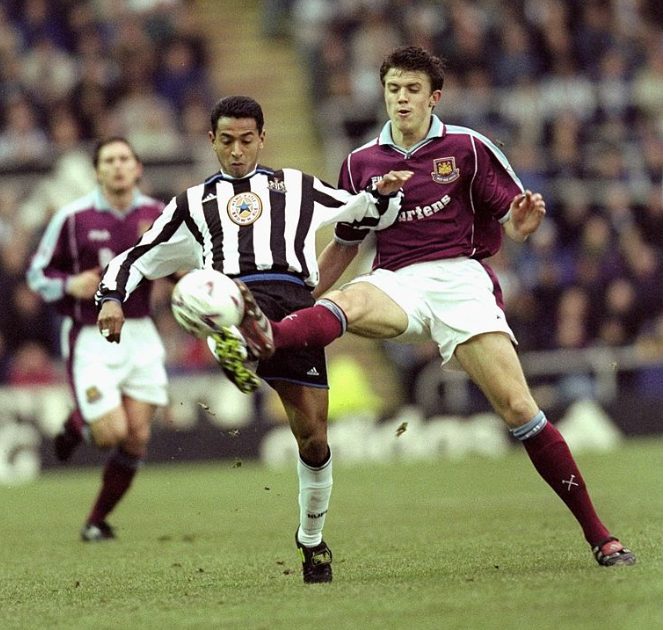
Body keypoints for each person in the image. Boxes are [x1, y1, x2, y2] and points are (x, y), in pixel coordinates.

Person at [214, 46, 636, 567]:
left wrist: (523, 227)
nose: (401, 99)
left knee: (520, 411)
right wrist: (308, 295)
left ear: (433, 97)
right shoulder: (360, 162)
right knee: (347, 301)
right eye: (393, 90)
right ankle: (268, 336)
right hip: (396, 280)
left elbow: (514, 217)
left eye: (412, 90)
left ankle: (600, 536)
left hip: (461, 280)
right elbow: (348, 240)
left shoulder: (468, 148)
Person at [95, 95, 412, 583]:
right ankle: (239, 336)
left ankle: (311, 539)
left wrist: (384, 193)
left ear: (262, 137)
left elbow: (363, 209)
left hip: (297, 303)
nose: (237, 151)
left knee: (313, 438)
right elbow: (139, 255)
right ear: (211, 142)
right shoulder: (193, 203)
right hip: (232, 291)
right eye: (227, 141)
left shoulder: (298, 186)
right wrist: (111, 298)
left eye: (246, 140)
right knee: (224, 298)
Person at [26, 137, 169, 542]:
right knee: (111, 433)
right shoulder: (73, 218)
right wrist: (70, 283)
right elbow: (38, 272)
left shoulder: (157, 215)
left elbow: (177, 263)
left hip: (140, 331)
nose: (118, 166)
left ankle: (95, 521)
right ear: (97, 170)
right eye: (109, 160)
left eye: (125, 158)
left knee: (136, 436)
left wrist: (192, 286)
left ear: (138, 167)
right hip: (90, 335)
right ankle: (78, 425)